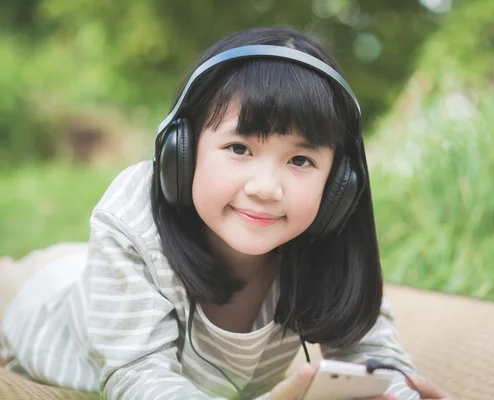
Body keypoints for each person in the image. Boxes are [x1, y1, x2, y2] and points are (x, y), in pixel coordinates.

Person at [0, 27, 452, 400]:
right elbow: (137, 376)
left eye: (300, 161)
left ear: (339, 186)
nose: (265, 189)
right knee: (21, 282)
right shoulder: (131, 219)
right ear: (184, 152)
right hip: (52, 308)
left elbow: (373, 355)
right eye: (239, 148)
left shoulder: (322, 242)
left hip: (98, 274)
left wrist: (400, 393)